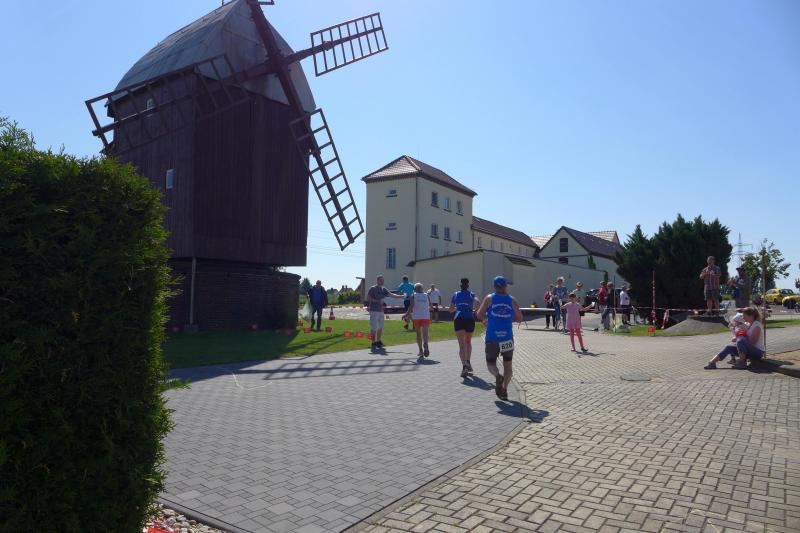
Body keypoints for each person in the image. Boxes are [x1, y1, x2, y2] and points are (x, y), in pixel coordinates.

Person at [476, 276, 523, 401]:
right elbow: (520, 318)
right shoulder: (512, 300)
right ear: (506, 286)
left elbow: (479, 314)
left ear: (494, 286)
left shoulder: (489, 298)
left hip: (492, 337)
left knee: (490, 363)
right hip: (507, 337)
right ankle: (505, 390)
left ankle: (497, 376)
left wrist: (486, 319)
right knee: (508, 366)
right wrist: (509, 319)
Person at [449, 277, 480, 378]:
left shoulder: (455, 294)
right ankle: (468, 361)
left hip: (459, 318)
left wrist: (456, 308)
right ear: (468, 285)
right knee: (468, 341)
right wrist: (475, 311)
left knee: (461, 345)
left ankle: (464, 366)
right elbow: (478, 302)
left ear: (460, 285)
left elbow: (450, 309)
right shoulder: (472, 294)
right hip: (469, 318)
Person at [367, 275, 405, 351]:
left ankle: (378, 341)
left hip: (381, 311)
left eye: (383, 280)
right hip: (374, 310)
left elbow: (392, 295)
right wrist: (377, 301)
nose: (382, 281)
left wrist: (401, 296)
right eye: (381, 280)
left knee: (380, 327)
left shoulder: (384, 289)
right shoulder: (373, 288)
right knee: (373, 327)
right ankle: (373, 343)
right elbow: (368, 298)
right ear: (377, 281)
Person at [404, 283, 432, 358]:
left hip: (417, 317)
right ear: (422, 288)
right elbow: (431, 306)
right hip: (425, 316)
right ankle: (425, 343)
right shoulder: (427, 295)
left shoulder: (413, 295)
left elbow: (411, 306)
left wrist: (406, 314)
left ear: (415, 289)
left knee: (418, 334)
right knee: (425, 333)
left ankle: (420, 350)